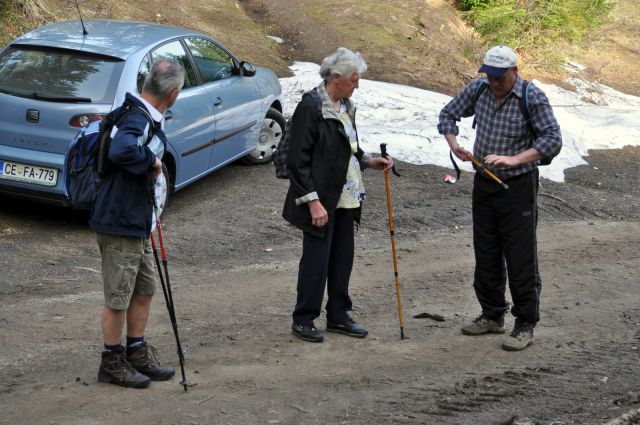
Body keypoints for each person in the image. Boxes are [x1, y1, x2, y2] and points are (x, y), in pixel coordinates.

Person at [438, 45, 562, 351]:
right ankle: (492, 314)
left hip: (518, 186)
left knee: (520, 256)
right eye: (488, 75)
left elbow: (552, 140)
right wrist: (455, 145)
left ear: (514, 72)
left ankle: (525, 324)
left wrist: (516, 159)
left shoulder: (531, 97)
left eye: (498, 76)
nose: (493, 82)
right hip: (484, 182)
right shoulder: (479, 88)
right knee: (486, 250)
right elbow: (448, 114)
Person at [283, 47, 393, 343]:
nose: (357, 85)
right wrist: (313, 202)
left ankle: (338, 315)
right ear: (336, 78)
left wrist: (369, 161)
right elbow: (297, 161)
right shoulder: (312, 107)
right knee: (316, 262)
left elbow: (349, 146)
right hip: (320, 200)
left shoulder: (346, 105)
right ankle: (304, 318)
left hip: (346, 197)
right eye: (354, 80)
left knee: (342, 258)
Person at [90, 59, 184, 387]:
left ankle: (136, 352)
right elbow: (122, 151)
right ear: (173, 94)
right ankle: (111, 361)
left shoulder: (139, 114)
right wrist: (154, 161)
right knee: (118, 296)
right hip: (119, 221)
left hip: (137, 221)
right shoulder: (136, 118)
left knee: (143, 289)